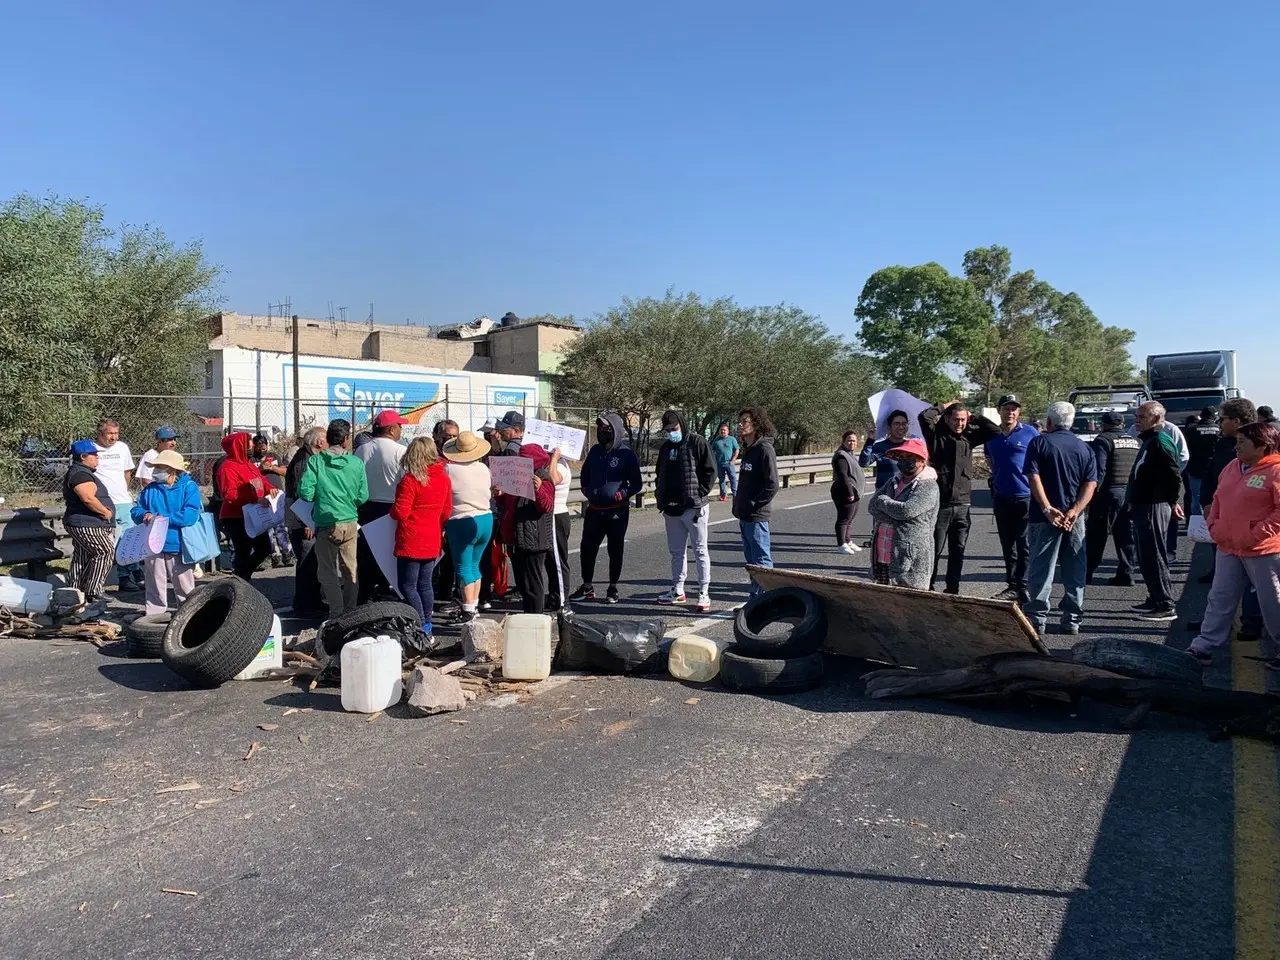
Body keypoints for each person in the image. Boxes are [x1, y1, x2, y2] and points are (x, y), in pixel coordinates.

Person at [1188, 421, 1280, 662]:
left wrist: (1255, 534)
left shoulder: (1276, 470)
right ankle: (1204, 645)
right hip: (1228, 545)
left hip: (1262, 549)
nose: (1236, 447)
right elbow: (1218, 497)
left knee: (1272, 600)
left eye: (1242, 442)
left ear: (1262, 446)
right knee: (1220, 596)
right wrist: (1214, 526)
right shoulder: (1232, 467)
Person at [1021, 402, 1098, 636]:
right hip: (1074, 519)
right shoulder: (1084, 448)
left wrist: (1046, 508)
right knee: (1075, 566)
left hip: (1045, 517)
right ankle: (1072, 617)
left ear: (1049, 422)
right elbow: (1091, 483)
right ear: (1071, 422)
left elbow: (1033, 476)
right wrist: (1075, 511)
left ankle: (1037, 617)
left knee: (1042, 568)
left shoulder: (1040, 442)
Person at [918, 401, 1000, 594]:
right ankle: (928, 587)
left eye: (963, 420)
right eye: (956, 419)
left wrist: (974, 416)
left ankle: (952, 588)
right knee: (934, 550)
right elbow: (924, 417)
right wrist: (944, 405)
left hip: (963, 505)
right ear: (947, 418)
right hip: (941, 505)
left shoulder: (969, 438)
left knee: (958, 551)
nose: (960, 423)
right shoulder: (936, 435)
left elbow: (994, 431)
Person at [297, 419, 369, 616]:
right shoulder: (356, 463)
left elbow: (305, 493)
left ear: (328, 438)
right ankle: (350, 611)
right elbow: (363, 496)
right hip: (350, 521)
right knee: (350, 570)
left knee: (327, 572)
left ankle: (336, 613)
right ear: (346, 439)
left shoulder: (316, 462)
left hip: (327, 523)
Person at [571, 413, 643, 604]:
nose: (603, 432)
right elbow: (585, 475)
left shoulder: (626, 454)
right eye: (600, 429)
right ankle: (587, 586)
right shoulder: (594, 451)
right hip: (594, 510)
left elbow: (636, 483)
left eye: (607, 428)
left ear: (616, 430)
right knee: (587, 548)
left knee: (615, 549)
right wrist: (587, 490)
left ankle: (613, 587)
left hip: (617, 511)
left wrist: (622, 493)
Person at [654, 411, 716, 611]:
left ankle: (703, 592)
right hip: (671, 509)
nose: (672, 433)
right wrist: (660, 497)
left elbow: (710, 470)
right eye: (668, 430)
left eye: (674, 429)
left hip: (694, 507)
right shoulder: (666, 448)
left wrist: (699, 494)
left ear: (682, 424)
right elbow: (659, 473)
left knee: (699, 550)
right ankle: (678, 589)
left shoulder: (697, 442)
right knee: (676, 551)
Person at [1128, 401, 1185, 621]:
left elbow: (1173, 474)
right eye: (1137, 415)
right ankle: (1154, 596)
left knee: (1154, 554)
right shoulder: (1148, 441)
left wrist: (1172, 501)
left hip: (1154, 504)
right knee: (1145, 555)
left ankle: (1165, 603)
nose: (1137, 419)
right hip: (1143, 504)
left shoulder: (1160, 442)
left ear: (1155, 418)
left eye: (1142, 416)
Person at [131, 450, 203, 616]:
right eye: (156, 467)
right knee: (154, 586)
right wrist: (144, 515)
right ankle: (154, 619)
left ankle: (189, 617)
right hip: (153, 545)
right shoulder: (150, 489)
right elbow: (136, 510)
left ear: (172, 469)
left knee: (185, 588)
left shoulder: (188, 487)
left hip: (178, 544)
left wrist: (163, 518)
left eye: (160, 467)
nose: (156, 471)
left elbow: (190, 515)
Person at [391, 437, 453, 632]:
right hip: (432, 536)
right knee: (425, 584)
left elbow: (400, 512)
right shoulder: (443, 478)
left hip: (411, 538)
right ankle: (427, 623)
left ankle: (420, 623)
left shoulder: (410, 480)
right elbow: (447, 510)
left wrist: (392, 511)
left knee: (407, 585)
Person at [983, 395, 1041, 603]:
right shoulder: (992, 435)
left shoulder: (1030, 433)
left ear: (1019, 412)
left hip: (1025, 496)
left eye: (1014, 409)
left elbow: (1039, 461)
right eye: (1006, 408)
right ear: (999, 410)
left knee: (1024, 544)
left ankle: (1024, 585)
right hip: (1002, 497)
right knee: (1008, 545)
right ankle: (1012, 585)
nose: (1010, 412)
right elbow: (990, 461)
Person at [867, 438, 940, 590]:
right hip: (883, 553)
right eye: (901, 457)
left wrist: (885, 502)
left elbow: (907, 510)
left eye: (910, 457)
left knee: (908, 604)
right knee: (881, 602)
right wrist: (898, 516)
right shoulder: (893, 481)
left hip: (908, 557)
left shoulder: (928, 486)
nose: (904, 461)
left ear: (921, 461)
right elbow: (872, 506)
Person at [355, 410, 409, 601]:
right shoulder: (400, 451)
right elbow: (406, 481)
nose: (401, 429)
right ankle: (390, 588)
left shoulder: (361, 450)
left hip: (366, 506)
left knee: (367, 552)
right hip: (391, 507)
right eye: (400, 426)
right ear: (392, 429)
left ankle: (366, 593)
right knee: (391, 552)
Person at [496, 441, 556, 614]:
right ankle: (528, 616)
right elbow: (508, 504)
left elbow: (547, 506)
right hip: (517, 538)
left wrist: (538, 490)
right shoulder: (517, 477)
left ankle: (535, 619)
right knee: (523, 584)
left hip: (534, 538)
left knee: (533, 584)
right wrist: (499, 495)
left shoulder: (543, 478)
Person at [441, 431, 493, 624]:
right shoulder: (483, 469)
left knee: (463, 567)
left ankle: (468, 610)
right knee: (475, 565)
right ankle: (474, 606)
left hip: (461, 520)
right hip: (486, 518)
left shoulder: (448, 470)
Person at [1086, 411, 1141, 586]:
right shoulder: (1136, 442)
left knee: (1097, 534)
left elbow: (1099, 470)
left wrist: (1091, 495)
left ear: (1103, 425)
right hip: (1131, 493)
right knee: (1126, 535)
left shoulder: (1103, 441)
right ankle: (1126, 573)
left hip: (1108, 494)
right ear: (1122, 424)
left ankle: (1086, 572)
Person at [93, 418, 144, 593]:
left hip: (123, 501)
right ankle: (124, 576)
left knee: (130, 539)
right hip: (104, 503)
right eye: (110, 434)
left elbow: (127, 472)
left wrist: (123, 490)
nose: (113, 437)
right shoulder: (92, 450)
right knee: (113, 542)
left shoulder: (122, 448)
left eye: (116, 433)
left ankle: (134, 573)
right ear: (100, 434)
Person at [731, 407, 779, 597]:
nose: (741, 425)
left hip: (757, 516)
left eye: (745, 421)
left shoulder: (764, 449)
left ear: (756, 424)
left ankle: (768, 601)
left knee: (762, 562)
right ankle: (755, 599)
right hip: (744, 515)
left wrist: (754, 504)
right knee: (752, 564)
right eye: (740, 421)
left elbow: (772, 484)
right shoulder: (750, 450)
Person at [63, 440, 117, 602]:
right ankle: (94, 590)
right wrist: (105, 512)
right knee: (105, 551)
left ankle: (74, 589)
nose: (97, 458)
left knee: (83, 555)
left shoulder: (81, 472)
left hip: (84, 522)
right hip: (86, 523)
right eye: (94, 455)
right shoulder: (80, 474)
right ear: (83, 456)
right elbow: (87, 498)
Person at [216, 432, 273, 581]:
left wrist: (270, 489)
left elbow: (261, 481)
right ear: (240, 446)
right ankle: (241, 580)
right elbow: (230, 495)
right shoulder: (227, 468)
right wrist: (255, 499)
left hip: (253, 514)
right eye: (249, 443)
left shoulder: (248, 464)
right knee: (243, 550)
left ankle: (241, 577)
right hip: (235, 516)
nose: (253, 445)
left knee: (264, 548)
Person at [284, 427, 328, 617]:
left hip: (306, 519)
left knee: (313, 562)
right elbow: (302, 495)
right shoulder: (305, 461)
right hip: (303, 521)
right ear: (319, 442)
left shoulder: (309, 458)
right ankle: (304, 605)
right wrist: (307, 522)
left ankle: (314, 601)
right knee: (306, 563)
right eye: (325, 439)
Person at [431, 419, 462, 611]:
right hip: (437, 511)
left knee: (454, 555)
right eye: (447, 437)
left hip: (457, 512)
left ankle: (454, 594)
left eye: (454, 437)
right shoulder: (432, 458)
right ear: (436, 438)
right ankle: (442, 588)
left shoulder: (463, 457)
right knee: (439, 554)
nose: (450, 440)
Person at [250, 433, 294, 568]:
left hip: (278, 496)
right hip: (263, 498)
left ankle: (287, 554)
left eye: (264, 446)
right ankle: (274, 556)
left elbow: (286, 471)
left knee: (281, 527)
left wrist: (273, 467)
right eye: (259, 447)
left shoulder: (274, 457)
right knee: (268, 529)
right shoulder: (251, 460)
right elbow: (250, 477)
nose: (262, 449)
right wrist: (260, 469)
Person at [544, 448, 571, 611]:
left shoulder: (559, 465)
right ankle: (555, 597)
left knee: (558, 562)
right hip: (551, 515)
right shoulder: (553, 464)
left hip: (557, 515)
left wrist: (555, 457)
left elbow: (553, 479)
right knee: (550, 561)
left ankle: (563, 601)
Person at [859, 410, 912, 491]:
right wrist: (870, 440)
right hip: (884, 494)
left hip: (905, 495)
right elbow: (863, 463)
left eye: (904, 424)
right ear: (889, 427)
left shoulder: (911, 447)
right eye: (896, 423)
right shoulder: (880, 446)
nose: (901, 427)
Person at [1185, 407, 1221, 517]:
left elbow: (1187, 450)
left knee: (1196, 499)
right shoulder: (1219, 429)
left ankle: (1198, 527)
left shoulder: (1192, 430)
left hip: (1196, 468)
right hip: (1215, 468)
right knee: (1217, 497)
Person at [831, 430, 863, 554]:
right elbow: (843, 476)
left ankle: (848, 540)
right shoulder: (841, 456)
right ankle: (841, 544)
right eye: (849, 440)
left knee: (850, 518)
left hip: (854, 492)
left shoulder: (850, 454)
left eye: (854, 440)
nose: (852, 443)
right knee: (843, 519)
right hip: (843, 492)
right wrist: (849, 492)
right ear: (843, 441)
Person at [711, 423, 740, 502]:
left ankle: (735, 494)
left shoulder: (732, 439)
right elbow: (712, 451)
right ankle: (723, 496)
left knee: (733, 479)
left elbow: (737, 449)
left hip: (729, 463)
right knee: (722, 480)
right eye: (721, 430)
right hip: (719, 464)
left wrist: (733, 459)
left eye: (724, 430)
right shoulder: (716, 440)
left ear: (728, 431)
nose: (723, 431)